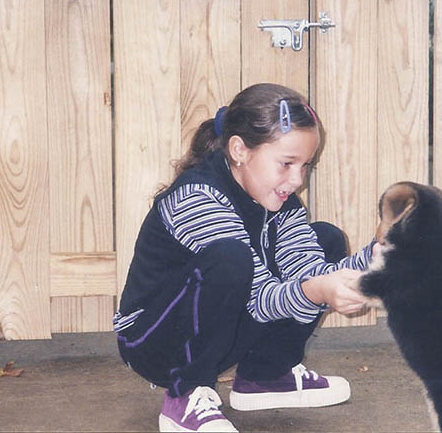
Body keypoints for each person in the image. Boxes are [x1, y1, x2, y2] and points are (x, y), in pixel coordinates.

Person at [114, 83, 375, 432]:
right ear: (239, 150)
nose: (297, 180)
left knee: (323, 237)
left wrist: (382, 256)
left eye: (305, 166)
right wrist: (318, 290)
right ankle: (184, 395)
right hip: (153, 341)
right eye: (286, 164)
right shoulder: (198, 197)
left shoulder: (281, 204)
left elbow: (311, 271)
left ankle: (266, 375)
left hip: (222, 331)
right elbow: (261, 299)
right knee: (231, 258)